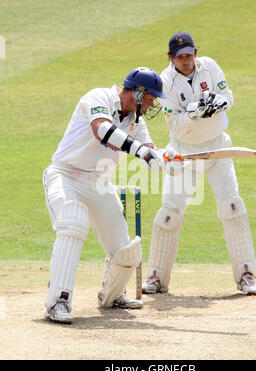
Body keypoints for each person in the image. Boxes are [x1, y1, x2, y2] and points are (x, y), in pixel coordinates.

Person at [43, 67, 172, 324]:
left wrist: (162, 157)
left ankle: (112, 296)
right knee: (73, 225)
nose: (152, 104)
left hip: (98, 183)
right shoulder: (98, 97)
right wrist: (141, 152)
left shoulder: (136, 120)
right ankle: (58, 302)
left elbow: (146, 148)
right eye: (150, 98)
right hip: (66, 175)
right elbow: (102, 130)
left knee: (125, 250)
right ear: (137, 94)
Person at [142, 32, 256, 296]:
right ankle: (156, 278)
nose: (187, 61)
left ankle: (246, 275)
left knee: (232, 205)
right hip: (184, 152)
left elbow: (228, 95)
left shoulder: (210, 66)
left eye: (190, 55)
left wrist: (219, 103)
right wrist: (195, 112)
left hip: (218, 146)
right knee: (170, 212)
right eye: (181, 57)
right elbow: (177, 127)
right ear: (171, 57)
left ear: (196, 52)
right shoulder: (165, 83)